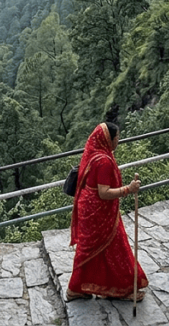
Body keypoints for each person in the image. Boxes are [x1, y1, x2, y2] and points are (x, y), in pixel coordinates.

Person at [66, 123, 148, 302]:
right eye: (117, 137)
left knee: (89, 249)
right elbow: (103, 192)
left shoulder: (93, 154)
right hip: (98, 211)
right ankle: (122, 289)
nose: (118, 140)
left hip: (89, 207)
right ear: (107, 139)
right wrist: (129, 189)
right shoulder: (103, 161)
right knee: (114, 246)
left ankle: (77, 288)